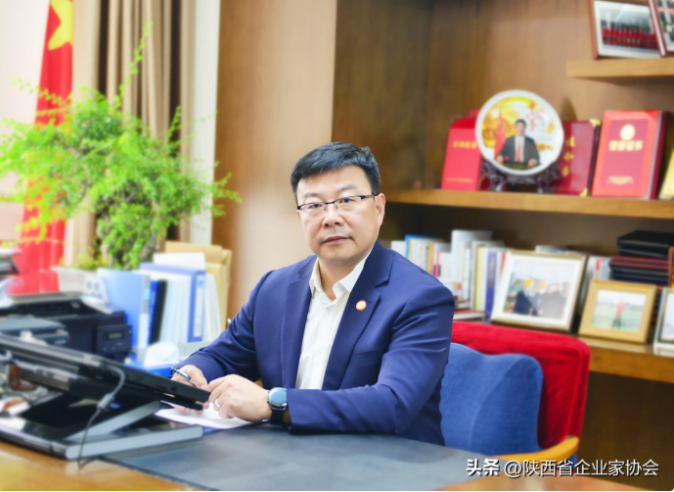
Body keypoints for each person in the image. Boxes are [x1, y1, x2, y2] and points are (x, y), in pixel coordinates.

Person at [172, 142, 455, 445]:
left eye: (347, 200)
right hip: (290, 456)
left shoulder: (421, 298)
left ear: (378, 208)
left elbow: (392, 405)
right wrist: (192, 373)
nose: (330, 217)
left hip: (384, 463)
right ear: (300, 217)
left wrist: (273, 403)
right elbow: (221, 355)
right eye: (314, 205)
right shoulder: (274, 289)